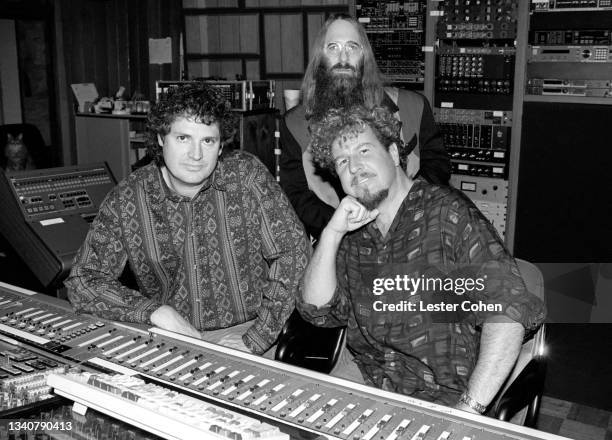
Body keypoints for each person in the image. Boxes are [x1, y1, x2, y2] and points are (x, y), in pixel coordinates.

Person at [298, 105, 545, 412]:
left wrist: (467, 411)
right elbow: (316, 311)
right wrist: (332, 233)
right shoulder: (352, 232)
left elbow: (508, 313)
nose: (354, 167)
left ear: (391, 153)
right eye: (342, 161)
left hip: (444, 398)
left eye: (364, 150)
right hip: (369, 383)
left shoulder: (448, 215)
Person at [65, 82, 311, 355]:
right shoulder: (128, 197)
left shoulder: (246, 176)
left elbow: (294, 253)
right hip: (168, 334)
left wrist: (259, 335)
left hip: (247, 332)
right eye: (183, 138)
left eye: (208, 141)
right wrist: (154, 311)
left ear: (220, 146)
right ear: (161, 138)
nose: (196, 155)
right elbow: (83, 280)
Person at [280, 13, 450, 240]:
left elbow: (437, 166)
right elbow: (297, 196)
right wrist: (346, 228)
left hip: (413, 231)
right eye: (333, 47)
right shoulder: (294, 124)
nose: (343, 57)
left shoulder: (413, 106)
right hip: (341, 240)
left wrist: (406, 210)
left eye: (352, 46)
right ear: (320, 57)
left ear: (365, 56)